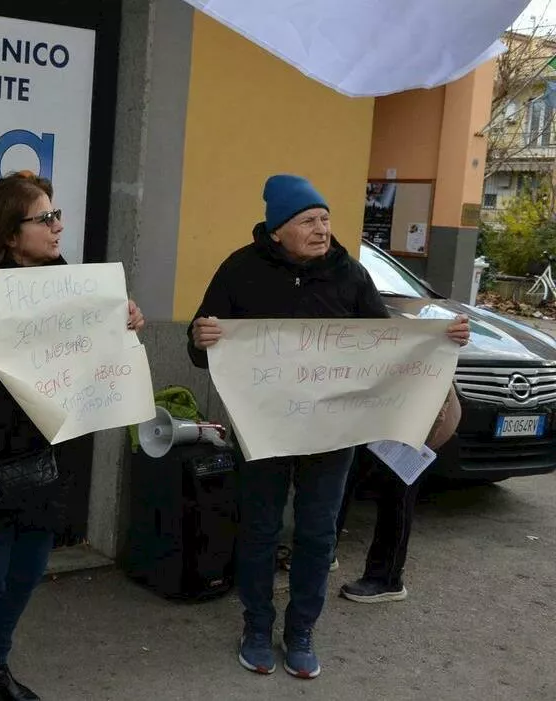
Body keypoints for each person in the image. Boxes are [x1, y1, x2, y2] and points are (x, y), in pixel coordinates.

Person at [187, 174, 469, 680]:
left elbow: (387, 346)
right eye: (308, 221)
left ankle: (301, 632)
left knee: (317, 534)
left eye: (325, 219)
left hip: (331, 434)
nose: (321, 230)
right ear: (277, 231)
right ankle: (256, 627)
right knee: (259, 530)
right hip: (265, 430)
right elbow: (201, 348)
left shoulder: (349, 275)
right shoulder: (239, 270)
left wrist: (439, 339)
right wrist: (200, 334)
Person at [0, 173, 145, 701]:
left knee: (26, 574)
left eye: (56, 215)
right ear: (7, 232)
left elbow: (92, 358)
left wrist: (123, 322)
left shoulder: (69, 288)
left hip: (44, 461)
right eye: (45, 218)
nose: (58, 226)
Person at [335, 385, 462, 603]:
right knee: (344, 475)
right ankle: (324, 552)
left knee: (397, 488)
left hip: (416, 408)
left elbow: (457, 349)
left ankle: (386, 578)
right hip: (379, 405)